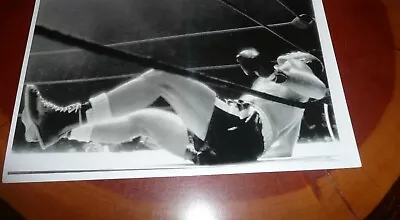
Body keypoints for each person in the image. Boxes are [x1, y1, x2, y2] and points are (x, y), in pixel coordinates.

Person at [21, 49, 327, 164]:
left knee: (163, 77)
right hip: (233, 147)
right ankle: (60, 132)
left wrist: (277, 69)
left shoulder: (298, 72)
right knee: (142, 120)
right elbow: (284, 151)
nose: (284, 56)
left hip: (243, 131)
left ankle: (64, 118)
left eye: (292, 55)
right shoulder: (290, 103)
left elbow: (319, 89)